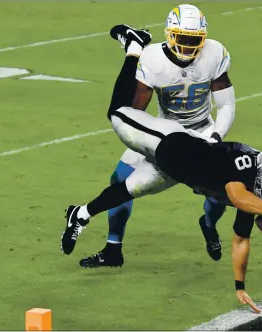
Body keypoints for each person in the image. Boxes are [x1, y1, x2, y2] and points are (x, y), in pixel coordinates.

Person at [60, 24, 262, 312]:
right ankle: (134, 47)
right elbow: (237, 196)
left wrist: (240, 286)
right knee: (118, 113)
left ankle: (81, 214)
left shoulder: (253, 196)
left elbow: (240, 240)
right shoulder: (245, 162)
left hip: (175, 172)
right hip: (171, 142)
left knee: (128, 190)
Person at [80, 4, 237, 268]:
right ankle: (113, 249)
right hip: (165, 132)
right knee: (119, 179)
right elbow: (137, 109)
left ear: (204, 38)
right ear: (169, 35)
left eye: (193, 40)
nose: (187, 47)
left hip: (203, 129)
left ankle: (208, 224)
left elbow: (227, 105)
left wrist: (215, 138)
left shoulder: (214, 53)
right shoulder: (153, 58)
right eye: (182, 39)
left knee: (220, 192)